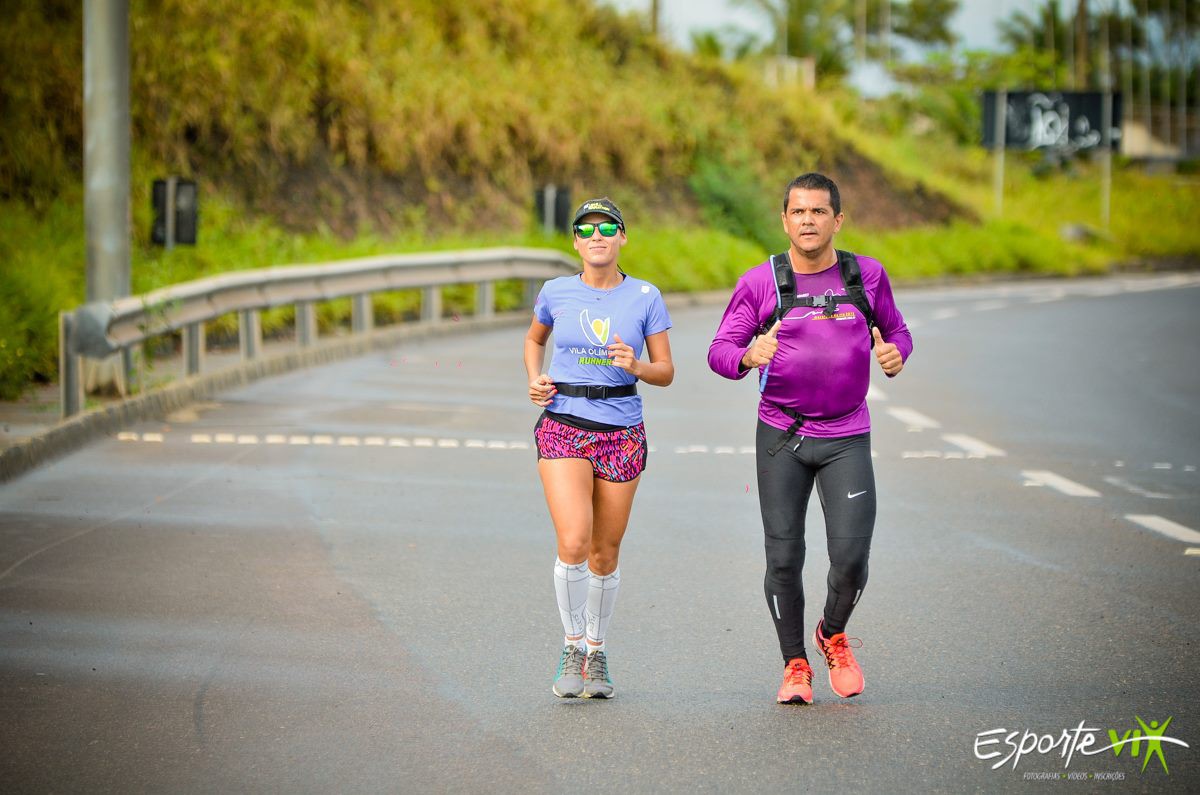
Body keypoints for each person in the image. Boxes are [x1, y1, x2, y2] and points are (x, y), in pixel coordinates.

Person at [707, 173, 912, 704]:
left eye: (818, 211)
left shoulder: (866, 276)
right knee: (783, 557)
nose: (808, 221)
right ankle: (795, 663)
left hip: (847, 435)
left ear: (837, 220)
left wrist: (896, 353)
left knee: (851, 558)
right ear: (784, 220)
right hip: (782, 437)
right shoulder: (761, 282)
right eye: (798, 212)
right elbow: (719, 351)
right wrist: (748, 355)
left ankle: (832, 633)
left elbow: (897, 331)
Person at [525, 197, 675, 699]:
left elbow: (666, 372)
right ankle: (571, 646)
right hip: (564, 422)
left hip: (621, 430)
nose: (597, 236)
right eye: (586, 229)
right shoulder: (556, 291)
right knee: (574, 540)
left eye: (607, 228)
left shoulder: (646, 296)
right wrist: (535, 378)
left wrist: (636, 365)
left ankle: (597, 650)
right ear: (575, 242)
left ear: (622, 237)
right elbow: (534, 340)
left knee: (604, 553)